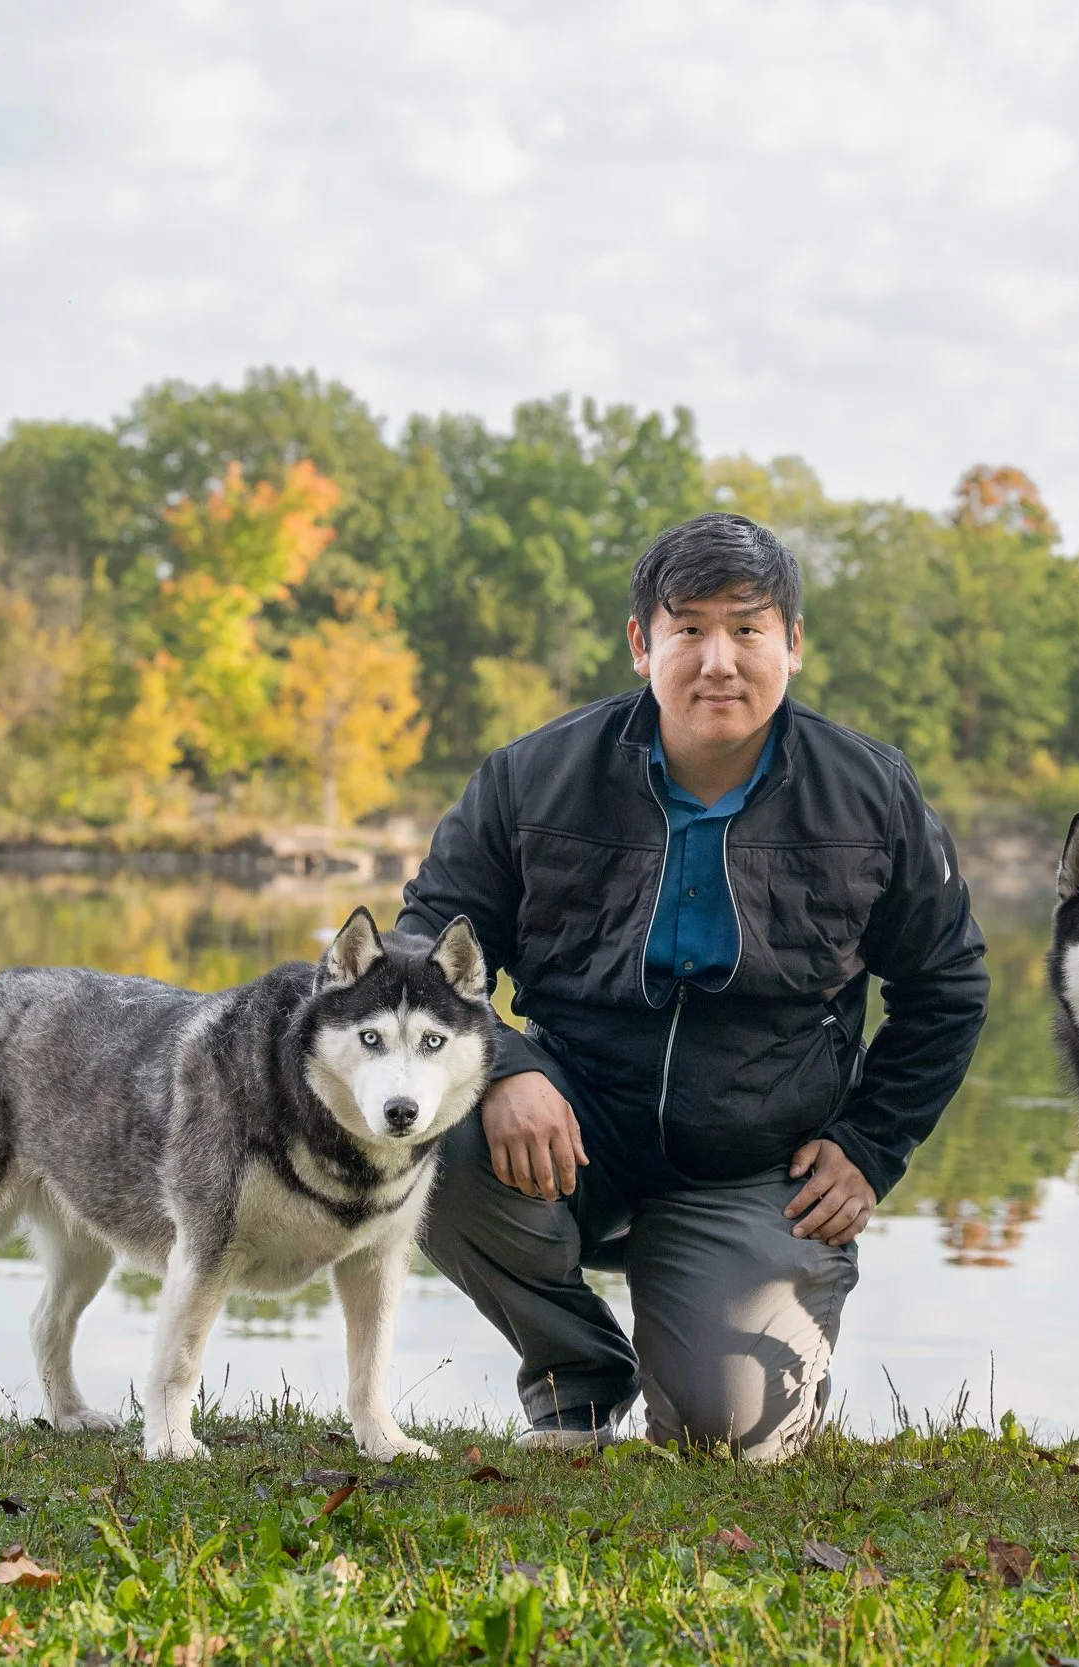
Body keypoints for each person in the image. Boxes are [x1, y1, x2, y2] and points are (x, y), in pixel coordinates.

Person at [396, 511, 989, 1459]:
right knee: (419, 1121)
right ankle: (575, 1374)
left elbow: (949, 985)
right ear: (642, 644)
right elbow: (421, 945)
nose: (719, 660)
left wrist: (871, 1145)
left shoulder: (872, 793)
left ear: (792, 644)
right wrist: (502, 1064)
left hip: (759, 1162)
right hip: (571, 1129)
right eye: (689, 629)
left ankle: (714, 1312)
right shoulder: (530, 777)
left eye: (748, 629)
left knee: (726, 1439)